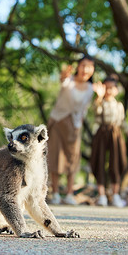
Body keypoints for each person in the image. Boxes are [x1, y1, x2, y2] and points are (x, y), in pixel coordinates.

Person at [48, 55, 95, 205]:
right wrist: (63, 76)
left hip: (75, 126)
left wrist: (99, 98)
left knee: (73, 159)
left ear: (93, 70)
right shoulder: (69, 82)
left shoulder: (91, 89)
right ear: (77, 67)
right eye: (83, 65)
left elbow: (86, 109)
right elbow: (63, 81)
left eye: (89, 66)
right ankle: (55, 192)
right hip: (58, 121)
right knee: (55, 157)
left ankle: (69, 194)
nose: (85, 69)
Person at [91, 75, 128, 207]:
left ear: (116, 90)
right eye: (106, 87)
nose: (108, 90)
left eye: (111, 88)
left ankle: (115, 194)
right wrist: (99, 97)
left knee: (116, 162)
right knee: (100, 161)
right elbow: (96, 113)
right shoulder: (99, 103)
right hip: (102, 133)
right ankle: (102, 195)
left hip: (115, 133)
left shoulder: (119, 105)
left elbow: (122, 122)